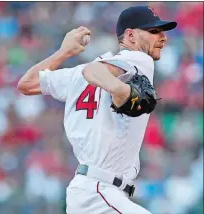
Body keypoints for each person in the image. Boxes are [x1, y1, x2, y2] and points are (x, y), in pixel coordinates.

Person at [18, 5, 177, 214]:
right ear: (130, 35)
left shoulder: (76, 74)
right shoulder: (139, 59)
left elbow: (27, 83)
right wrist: (121, 91)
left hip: (92, 191)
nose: (163, 37)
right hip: (99, 193)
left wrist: (64, 52)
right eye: (154, 31)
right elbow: (94, 70)